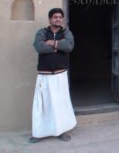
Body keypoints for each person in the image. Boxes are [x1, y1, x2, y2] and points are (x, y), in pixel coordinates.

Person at [30, 8, 77, 143]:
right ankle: (39, 133)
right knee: (42, 105)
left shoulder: (66, 32)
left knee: (60, 105)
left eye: (60, 17)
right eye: (55, 17)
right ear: (50, 19)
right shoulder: (42, 32)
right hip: (44, 75)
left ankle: (61, 131)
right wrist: (58, 47)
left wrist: (52, 43)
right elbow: (39, 47)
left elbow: (69, 46)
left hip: (60, 75)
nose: (58, 19)